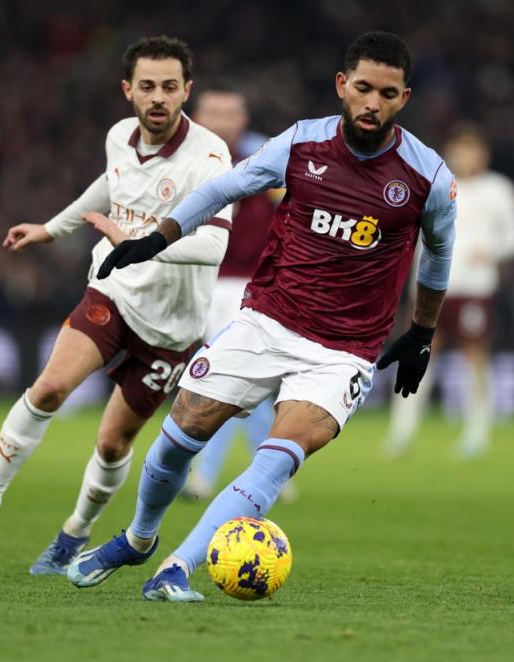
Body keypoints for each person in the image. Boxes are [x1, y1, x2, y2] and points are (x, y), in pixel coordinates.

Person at [66, 31, 457, 602]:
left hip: (343, 351)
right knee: (178, 439)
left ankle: (175, 567)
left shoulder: (428, 178)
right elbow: (226, 186)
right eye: (365, 88)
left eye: (389, 94)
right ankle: (140, 536)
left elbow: (439, 254)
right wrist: (157, 238)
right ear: (343, 86)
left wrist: (422, 332)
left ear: (405, 98)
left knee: (275, 461)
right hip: (265, 321)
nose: (374, 103)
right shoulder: (302, 143)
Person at [0, 36, 235, 576]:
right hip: (113, 290)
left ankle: (75, 532)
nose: (159, 98)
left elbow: (215, 245)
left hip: (171, 328)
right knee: (48, 387)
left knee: (113, 441)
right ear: (128, 90)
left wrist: (139, 244)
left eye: (170, 87)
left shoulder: (210, 156)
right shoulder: (119, 137)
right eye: (147, 86)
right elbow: (109, 186)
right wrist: (53, 228)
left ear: (187, 90)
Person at [384, 123, 514, 458]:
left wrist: (490, 250)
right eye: (460, 149)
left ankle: (477, 433)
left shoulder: (497, 189)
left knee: (474, 358)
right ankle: (401, 431)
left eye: (472, 149)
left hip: (473, 287)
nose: (465, 156)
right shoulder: (434, 184)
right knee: (418, 354)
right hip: (431, 287)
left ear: (483, 154)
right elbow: (417, 238)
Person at [181, 85, 294, 502]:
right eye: (214, 111)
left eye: (230, 112)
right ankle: (274, 471)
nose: (223, 120)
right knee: (242, 384)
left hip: (249, 285)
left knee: (226, 378)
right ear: (197, 115)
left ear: (243, 119)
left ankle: (205, 477)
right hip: (197, 280)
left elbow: (296, 209)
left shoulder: (266, 162)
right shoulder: (185, 160)